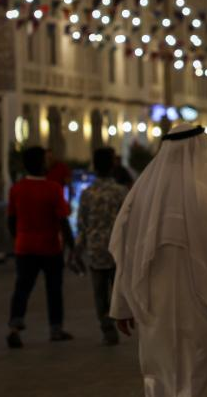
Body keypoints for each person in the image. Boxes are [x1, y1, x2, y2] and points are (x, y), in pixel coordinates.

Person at [109, 124, 207, 397]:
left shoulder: (140, 196)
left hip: (153, 310)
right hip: (193, 310)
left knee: (160, 378)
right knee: (195, 380)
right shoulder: (203, 197)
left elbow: (127, 255)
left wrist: (121, 305)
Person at [6, 146, 74, 349]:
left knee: (22, 287)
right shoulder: (53, 188)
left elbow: (11, 220)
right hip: (50, 246)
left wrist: (18, 237)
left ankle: (14, 327)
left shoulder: (16, 189)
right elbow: (63, 220)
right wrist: (72, 245)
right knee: (54, 289)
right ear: (41, 163)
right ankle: (56, 329)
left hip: (24, 246)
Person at [72, 146, 128, 346]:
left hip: (95, 251)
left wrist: (77, 251)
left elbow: (81, 225)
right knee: (119, 289)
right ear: (113, 165)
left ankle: (107, 328)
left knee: (99, 293)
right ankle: (121, 319)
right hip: (118, 249)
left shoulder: (88, 194)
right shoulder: (121, 192)